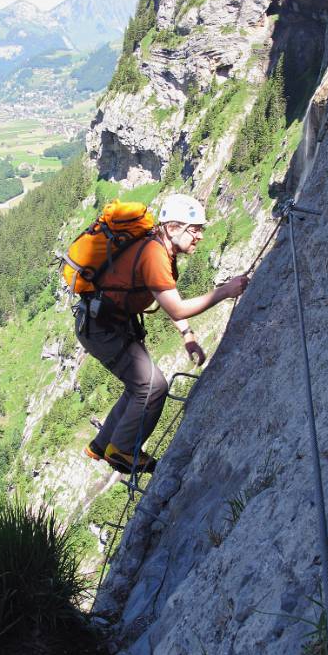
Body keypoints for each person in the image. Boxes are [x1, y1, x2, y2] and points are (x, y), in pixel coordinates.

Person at [74, 193, 248, 474]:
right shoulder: (154, 254)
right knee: (152, 386)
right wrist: (225, 292)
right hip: (103, 327)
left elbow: (167, 300)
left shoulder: (160, 250)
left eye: (200, 230)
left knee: (139, 385)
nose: (200, 236)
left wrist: (187, 336)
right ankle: (122, 451)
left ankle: (102, 444)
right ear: (172, 228)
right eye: (195, 229)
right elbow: (177, 308)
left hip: (107, 323)